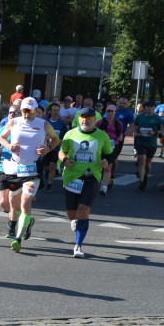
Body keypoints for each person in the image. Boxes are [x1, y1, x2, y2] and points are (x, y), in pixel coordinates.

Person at [0, 97, 59, 252]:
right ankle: (28, 221)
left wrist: (48, 149)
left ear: (35, 110)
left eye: (30, 111)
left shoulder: (43, 124)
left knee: (26, 202)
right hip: (15, 169)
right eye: (24, 111)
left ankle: (18, 238)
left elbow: (56, 139)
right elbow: (1, 138)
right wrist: (8, 146)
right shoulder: (14, 122)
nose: (27, 114)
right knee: (14, 202)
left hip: (33, 170)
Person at [59, 107, 112, 258]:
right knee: (71, 214)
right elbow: (61, 151)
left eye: (89, 117)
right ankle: (75, 219)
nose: (85, 120)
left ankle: (78, 245)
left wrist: (106, 162)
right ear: (79, 118)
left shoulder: (102, 136)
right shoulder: (70, 134)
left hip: (92, 176)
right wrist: (64, 159)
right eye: (83, 117)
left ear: (95, 120)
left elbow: (109, 154)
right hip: (71, 177)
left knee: (83, 210)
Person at [0, 100, 21, 237]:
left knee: (12, 199)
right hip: (3, 167)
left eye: (15, 113)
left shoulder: (23, 130)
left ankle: (12, 227)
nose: (12, 115)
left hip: (19, 169)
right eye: (10, 113)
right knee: (3, 203)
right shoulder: (3, 130)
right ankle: (16, 215)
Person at [129, 100, 163, 191]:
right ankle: (141, 181)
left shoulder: (157, 118)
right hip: (141, 142)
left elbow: (162, 130)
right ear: (144, 108)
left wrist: (154, 132)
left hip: (152, 143)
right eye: (147, 107)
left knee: (148, 163)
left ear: (154, 108)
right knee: (142, 161)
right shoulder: (140, 117)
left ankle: (146, 176)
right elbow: (134, 127)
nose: (149, 108)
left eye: (151, 107)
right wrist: (136, 133)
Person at [96, 104, 124, 194]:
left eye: (112, 111)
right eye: (108, 111)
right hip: (101, 146)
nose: (110, 113)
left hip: (113, 146)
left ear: (115, 112)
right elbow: (94, 133)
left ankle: (104, 187)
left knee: (108, 165)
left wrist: (120, 137)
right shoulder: (101, 122)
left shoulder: (118, 123)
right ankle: (100, 182)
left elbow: (121, 133)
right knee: (100, 165)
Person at [44, 101, 68, 192]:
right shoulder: (45, 123)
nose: (56, 112)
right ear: (50, 111)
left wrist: (62, 141)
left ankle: (49, 185)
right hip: (46, 148)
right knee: (46, 167)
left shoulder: (61, 124)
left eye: (57, 110)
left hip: (56, 149)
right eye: (54, 110)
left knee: (53, 165)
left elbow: (66, 136)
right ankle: (47, 172)